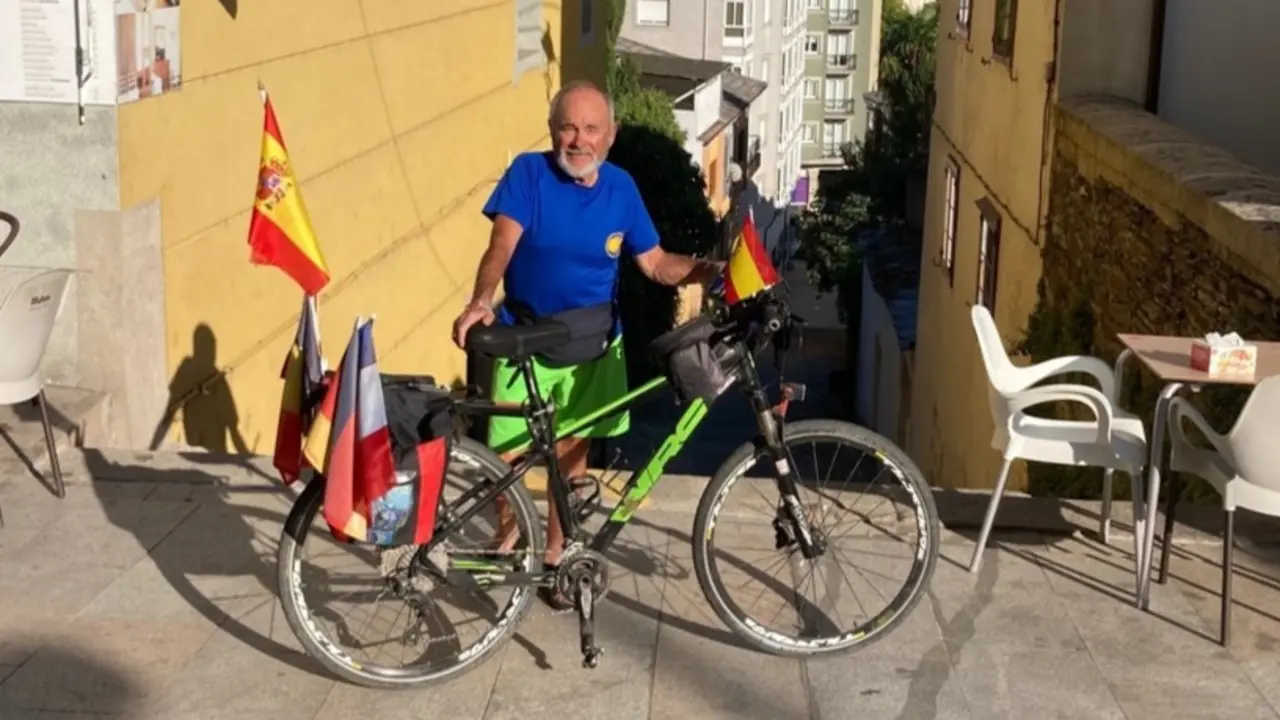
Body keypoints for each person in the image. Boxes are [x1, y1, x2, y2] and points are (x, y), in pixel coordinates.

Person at [451, 80, 721, 608]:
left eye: (591, 129)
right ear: (553, 131)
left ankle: (555, 558)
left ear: (610, 135)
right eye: (568, 127)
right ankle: (510, 535)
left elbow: (656, 263)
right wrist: (482, 298)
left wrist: (709, 271)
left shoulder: (621, 189)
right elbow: (501, 244)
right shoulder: (528, 174)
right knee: (507, 456)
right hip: (525, 336)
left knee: (569, 463)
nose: (579, 140)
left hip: (594, 345)